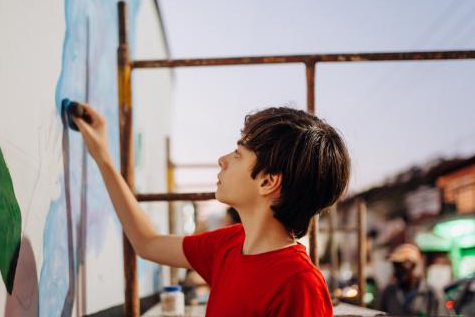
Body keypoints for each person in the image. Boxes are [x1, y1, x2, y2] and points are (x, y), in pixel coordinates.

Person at [72, 104, 351, 316]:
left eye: (238, 154)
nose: (222, 160)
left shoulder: (300, 285)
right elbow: (147, 242)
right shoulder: (228, 244)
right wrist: (103, 157)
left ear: (267, 181)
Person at [378, 243, 448, 316]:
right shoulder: (388, 292)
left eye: (402, 267)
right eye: (396, 266)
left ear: (414, 266)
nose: (398, 271)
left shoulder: (432, 294)